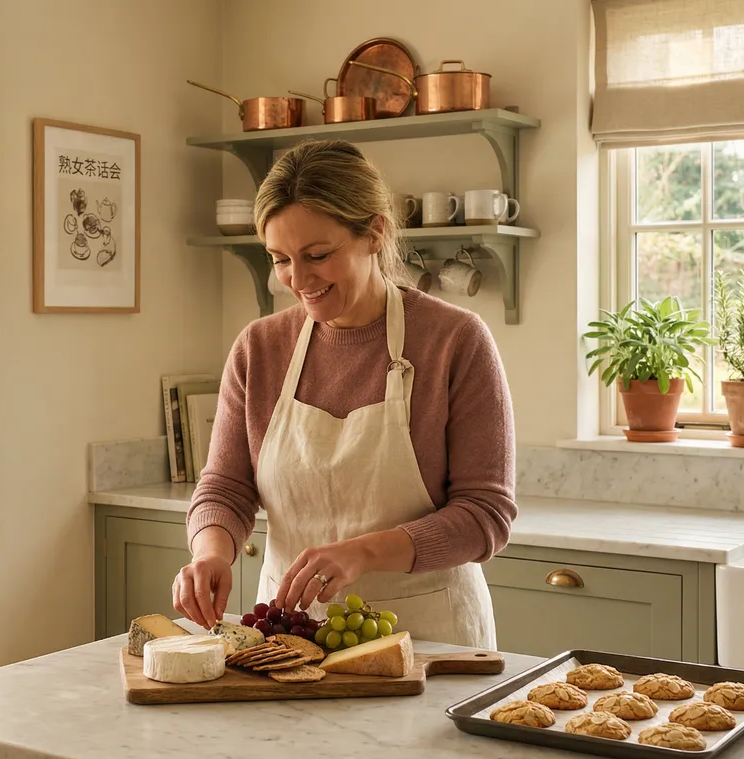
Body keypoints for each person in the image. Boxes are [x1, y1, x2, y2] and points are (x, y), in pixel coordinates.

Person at [173, 139, 516, 648]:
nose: (298, 279)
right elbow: (225, 486)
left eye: (317, 255)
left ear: (374, 232)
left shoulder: (454, 340)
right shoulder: (260, 348)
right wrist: (210, 553)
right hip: (291, 637)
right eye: (280, 259)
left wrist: (363, 553)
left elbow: (485, 514)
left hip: (431, 639)